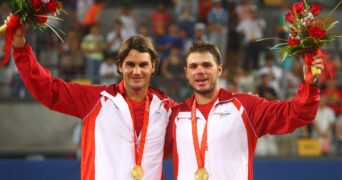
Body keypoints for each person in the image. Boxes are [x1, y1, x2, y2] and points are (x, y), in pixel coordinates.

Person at [10, 20, 176, 179]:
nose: (137, 71)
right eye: (130, 64)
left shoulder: (168, 108)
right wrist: (20, 47)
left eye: (143, 65)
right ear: (120, 66)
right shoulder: (95, 100)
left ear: (153, 66)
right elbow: (48, 89)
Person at [170, 40, 324, 179]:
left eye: (207, 65)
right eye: (193, 66)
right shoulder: (175, 115)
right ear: (187, 73)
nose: (200, 71)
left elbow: (297, 113)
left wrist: (309, 84)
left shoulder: (245, 106)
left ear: (219, 70)